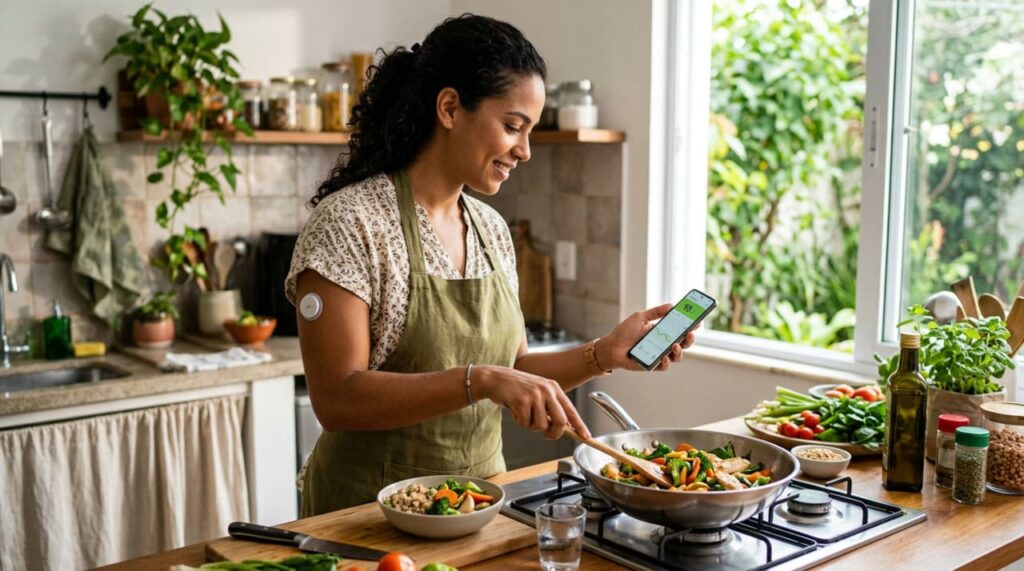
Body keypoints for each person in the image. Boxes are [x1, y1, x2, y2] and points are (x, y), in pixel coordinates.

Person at [286, 14, 695, 516]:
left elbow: (515, 366)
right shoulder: (351, 223)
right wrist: (479, 380)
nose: (524, 151)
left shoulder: (491, 228)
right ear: (450, 108)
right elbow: (337, 398)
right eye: (512, 127)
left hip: (482, 506)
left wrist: (604, 353)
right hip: (365, 517)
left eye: (530, 133)